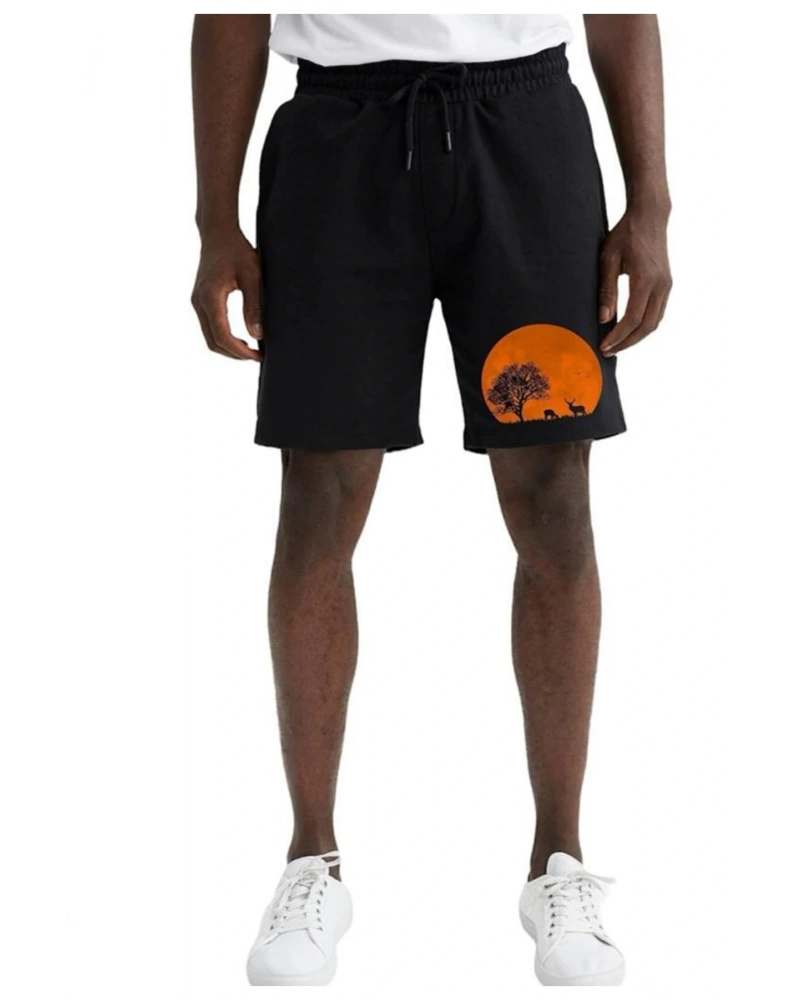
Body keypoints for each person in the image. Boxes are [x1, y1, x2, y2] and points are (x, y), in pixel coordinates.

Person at [191, 13, 671, 988]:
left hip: (526, 134)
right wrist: (214, 221)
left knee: (554, 501)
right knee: (318, 501)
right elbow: (228, 11)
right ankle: (311, 859)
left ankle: (558, 862)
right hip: (337, 143)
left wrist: (650, 203)